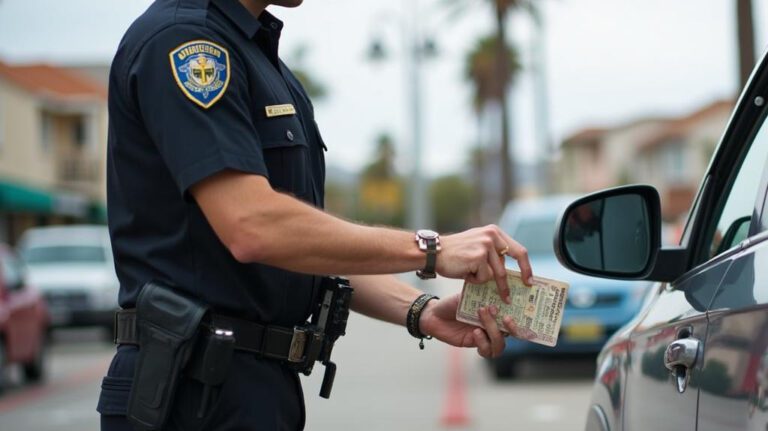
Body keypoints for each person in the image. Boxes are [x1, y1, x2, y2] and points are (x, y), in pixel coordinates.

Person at [96, 0, 533, 430]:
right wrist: (431, 249)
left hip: (247, 387)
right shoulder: (187, 41)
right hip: (191, 391)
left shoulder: (260, 58)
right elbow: (253, 226)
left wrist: (420, 310)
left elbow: (306, 245)